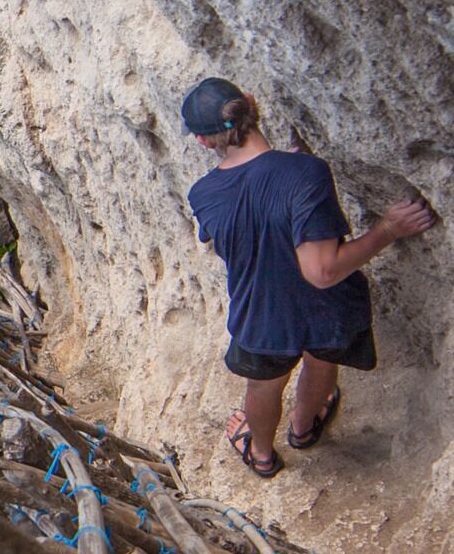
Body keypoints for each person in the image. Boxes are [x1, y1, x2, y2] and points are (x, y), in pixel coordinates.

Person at [180, 76, 435, 478]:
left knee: (263, 387)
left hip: (262, 315)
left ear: (203, 141)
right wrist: (388, 229)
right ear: (250, 101)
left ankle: (262, 454)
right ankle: (304, 427)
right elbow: (323, 272)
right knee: (320, 363)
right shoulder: (306, 172)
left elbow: (230, 231)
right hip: (326, 309)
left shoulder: (203, 193)